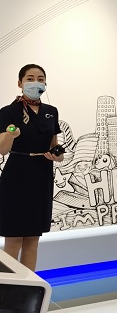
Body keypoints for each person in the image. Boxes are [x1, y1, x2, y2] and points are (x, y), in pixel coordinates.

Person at [0, 64, 63, 271]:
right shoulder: (8, 112)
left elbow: (54, 146)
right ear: (20, 83)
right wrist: (10, 135)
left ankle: (29, 286)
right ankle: (7, 286)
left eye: (40, 79)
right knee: (14, 240)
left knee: (33, 240)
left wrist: (57, 155)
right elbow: (2, 150)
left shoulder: (51, 111)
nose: (36, 82)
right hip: (16, 175)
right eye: (30, 78)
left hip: (42, 175)